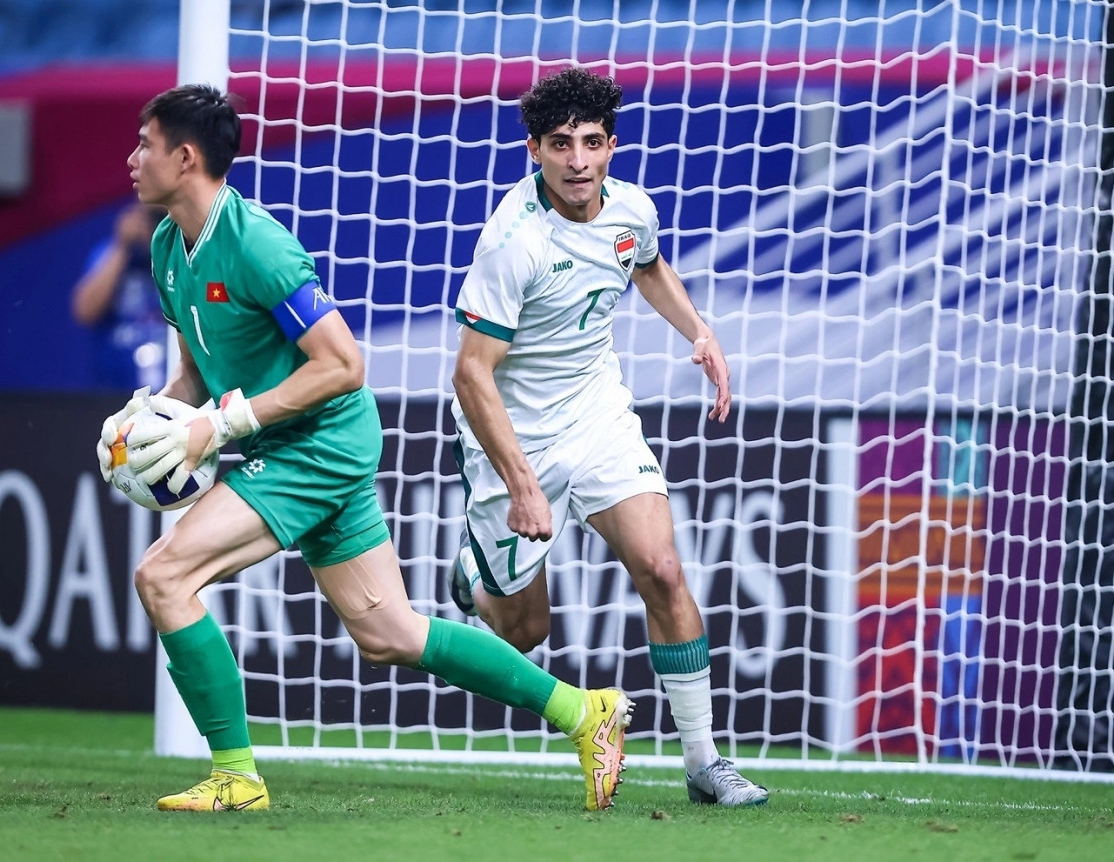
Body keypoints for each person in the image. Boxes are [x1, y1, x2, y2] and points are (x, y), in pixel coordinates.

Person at [95, 83, 632, 813]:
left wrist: (216, 430)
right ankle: (583, 712)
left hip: (315, 446)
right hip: (290, 445)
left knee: (163, 577)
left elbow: (344, 363)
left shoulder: (257, 244)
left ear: (185, 157)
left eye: (144, 144)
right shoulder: (166, 246)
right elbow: (201, 366)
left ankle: (235, 776)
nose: (132, 159)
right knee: (389, 631)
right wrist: (157, 415)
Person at [448, 66, 769, 807]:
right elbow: (472, 376)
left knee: (661, 567)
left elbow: (647, 266)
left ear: (611, 146)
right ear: (535, 150)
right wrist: (524, 484)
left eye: (591, 143)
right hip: (513, 437)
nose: (578, 161)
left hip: (597, 416)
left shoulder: (631, 209)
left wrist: (700, 331)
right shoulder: (513, 243)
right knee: (525, 632)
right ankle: (471, 575)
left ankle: (703, 763)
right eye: (560, 145)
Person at [71, 201, 169, 390]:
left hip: (173, 390)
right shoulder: (111, 253)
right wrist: (122, 247)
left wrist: (161, 246)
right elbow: (85, 312)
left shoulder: (182, 255)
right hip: (115, 390)